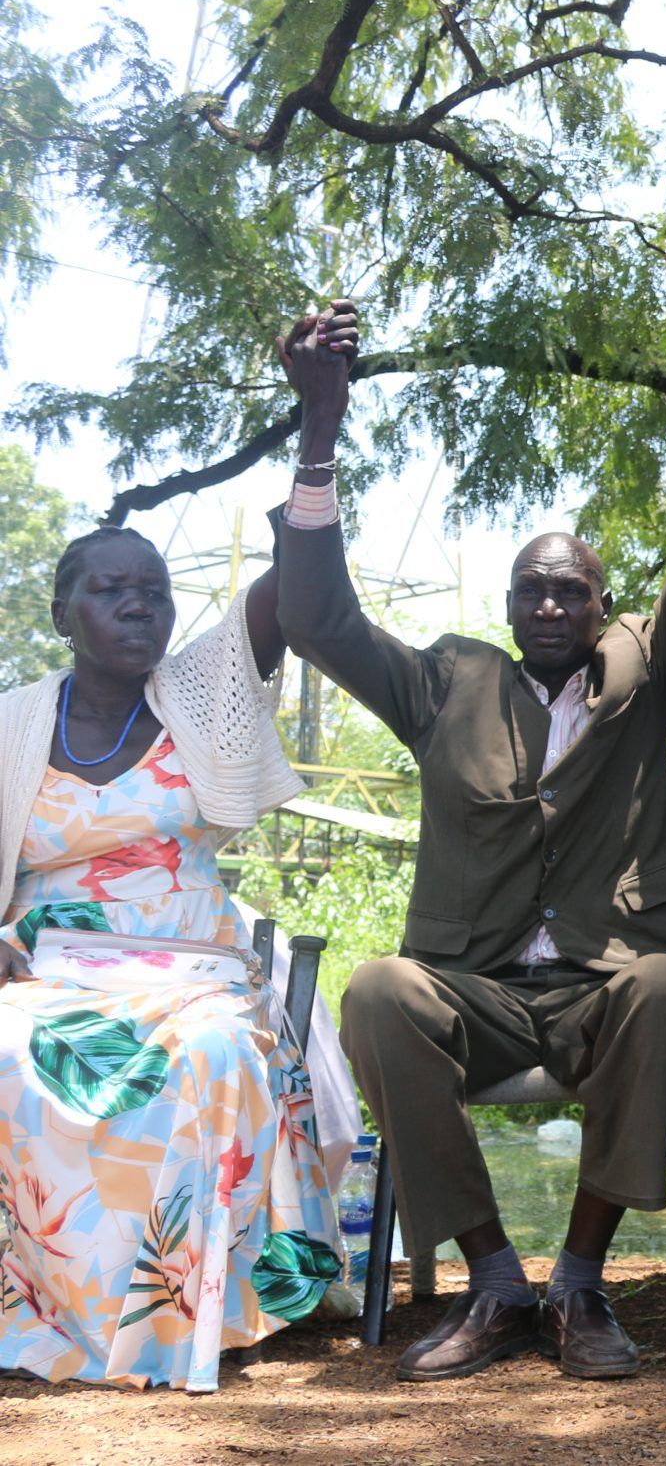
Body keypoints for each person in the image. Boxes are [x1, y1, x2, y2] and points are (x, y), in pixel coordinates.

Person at [273, 254, 666, 1382]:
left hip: (603, 988)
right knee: (377, 989)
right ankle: (494, 1280)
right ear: (506, 604)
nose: (549, 603)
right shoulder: (446, 682)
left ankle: (580, 1282)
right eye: (531, 588)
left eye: (570, 589)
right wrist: (318, 427)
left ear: (600, 604)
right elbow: (316, 616)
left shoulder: (644, 667)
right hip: (477, 987)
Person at [0, 503, 344, 1391]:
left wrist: (314, 454)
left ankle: (184, 1317)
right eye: (110, 588)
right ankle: (51, 1307)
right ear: (62, 611)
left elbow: (292, 591)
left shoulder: (197, 692)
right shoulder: (11, 726)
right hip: (44, 973)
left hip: (195, 973)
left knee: (214, 1052)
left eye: (155, 590)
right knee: (7, 1046)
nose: (137, 604)